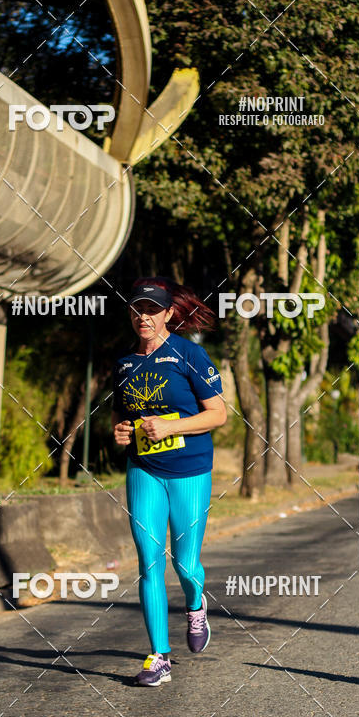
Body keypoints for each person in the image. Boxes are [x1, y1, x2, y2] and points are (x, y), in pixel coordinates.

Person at [112, 277, 227, 686]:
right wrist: (122, 432)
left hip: (190, 470)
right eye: (137, 310)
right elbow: (123, 417)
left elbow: (218, 414)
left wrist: (171, 426)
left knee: (185, 562)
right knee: (148, 560)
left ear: (167, 314)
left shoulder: (189, 355)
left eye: (152, 310)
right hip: (143, 469)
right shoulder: (124, 364)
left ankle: (195, 604)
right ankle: (159, 656)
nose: (143, 317)